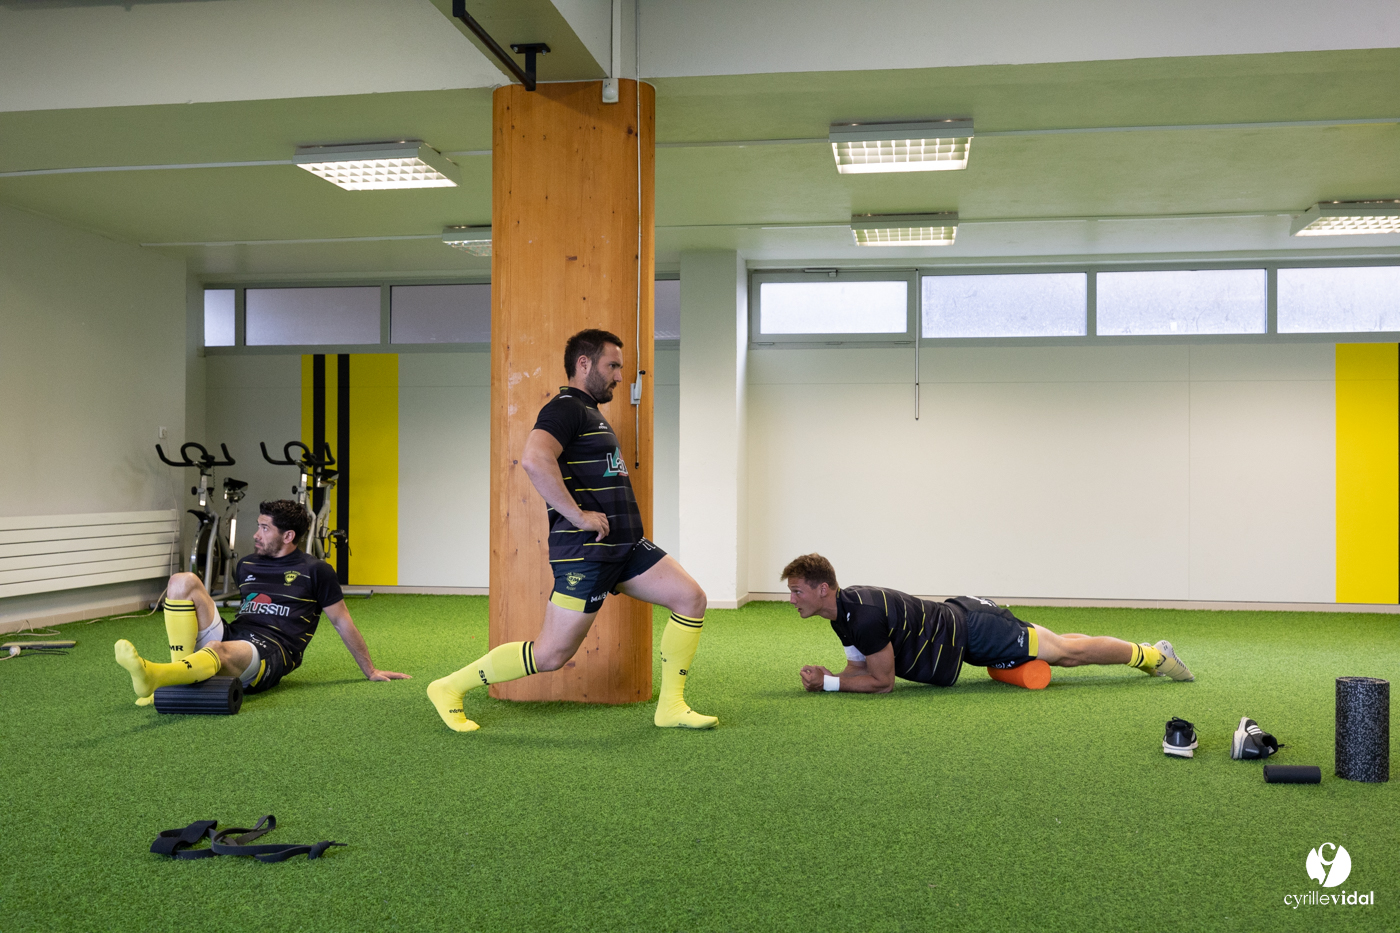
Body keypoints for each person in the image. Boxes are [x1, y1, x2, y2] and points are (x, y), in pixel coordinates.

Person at [427, 328, 716, 732]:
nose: (619, 376)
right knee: (550, 655)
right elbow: (534, 459)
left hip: (626, 547)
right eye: (612, 365)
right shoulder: (566, 408)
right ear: (584, 363)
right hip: (587, 552)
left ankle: (671, 707)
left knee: (690, 598)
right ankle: (448, 687)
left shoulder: (591, 412)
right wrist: (579, 516)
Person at [114, 499, 409, 702]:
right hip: (235, 633)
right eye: (258, 526)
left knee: (218, 649)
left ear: (288, 535)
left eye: (265, 528)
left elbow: (342, 622)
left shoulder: (316, 571)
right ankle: (177, 676)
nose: (256, 534)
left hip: (272, 651)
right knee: (182, 581)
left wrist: (370, 670)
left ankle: (157, 676)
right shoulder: (247, 564)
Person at [781, 553, 1193, 693]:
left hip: (977, 630)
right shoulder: (844, 615)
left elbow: (882, 683)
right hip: (966, 632)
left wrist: (828, 685)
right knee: (1057, 645)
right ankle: (1147, 653)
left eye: (798, 591)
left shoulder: (864, 615)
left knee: (1068, 654)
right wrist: (830, 676)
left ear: (823, 589)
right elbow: (858, 669)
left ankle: (1153, 656)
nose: (792, 599)